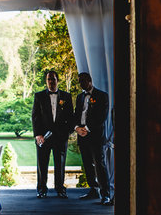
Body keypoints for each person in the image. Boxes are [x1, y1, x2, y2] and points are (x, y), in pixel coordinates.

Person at [31, 68, 74, 198]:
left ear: (57, 80)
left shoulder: (66, 97)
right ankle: (42, 189)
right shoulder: (39, 96)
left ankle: (60, 189)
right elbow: (35, 117)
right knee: (42, 163)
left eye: (53, 79)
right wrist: (38, 135)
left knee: (60, 164)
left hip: (60, 137)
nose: (51, 81)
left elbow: (70, 117)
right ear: (46, 81)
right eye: (49, 79)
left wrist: (67, 132)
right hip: (43, 137)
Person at [73, 71, 112, 205]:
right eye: (80, 81)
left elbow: (102, 116)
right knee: (87, 165)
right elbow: (76, 115)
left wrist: (87, 128)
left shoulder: (102, 96)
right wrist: (77, 128)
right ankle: (93, 190)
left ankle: (106, 194)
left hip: (95, 135)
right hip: (82, 135)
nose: (81, 84)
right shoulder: (79, 97)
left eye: (83, 81)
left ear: (89, 80)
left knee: (99, 165)